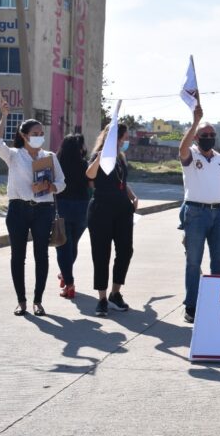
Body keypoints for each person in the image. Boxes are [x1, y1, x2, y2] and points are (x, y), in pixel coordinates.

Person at [0, 99, 65, 316]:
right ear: (24, 136)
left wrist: (51, 185)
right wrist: (4, 116)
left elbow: (62, 183)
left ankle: (38, 301)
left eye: (42, 132)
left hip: (43, 210)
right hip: (18, 210)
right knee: (18, 256)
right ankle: (21, 301)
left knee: (41, 255)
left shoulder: (49, 157)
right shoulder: (14, 155)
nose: (40, 136)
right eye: (35, 132)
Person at [179, 105, 220, 323]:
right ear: (196, 137)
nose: (210, 138)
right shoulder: (191, 156)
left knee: (219, 262)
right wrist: (196, 121)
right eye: (205, 135)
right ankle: (192, 306)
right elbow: (181, 150)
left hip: (219, 214)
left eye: (212, 135)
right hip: (196, 213)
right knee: (194, 262)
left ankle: (216, 304)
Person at [86, 123, 139, 317]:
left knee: (125, 250)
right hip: (101, 209)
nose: (125, 142)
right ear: (114, 139)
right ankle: (101, 299)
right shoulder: (99, 156)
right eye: (123, 138)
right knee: (102, 253)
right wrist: (100, 158)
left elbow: (121, 182)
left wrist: (132, 195)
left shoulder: (120, 157)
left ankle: (115, 293)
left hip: (122, 209)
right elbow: (89, 176)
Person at [55, 133, 90, 299]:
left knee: (63, 246)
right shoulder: (85, 165)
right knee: (72, 245)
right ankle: (65, 276)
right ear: (80, 148)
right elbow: (91, 184)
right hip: (82, 208)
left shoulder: (57, 163)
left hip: (61, 207)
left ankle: (69, 283)